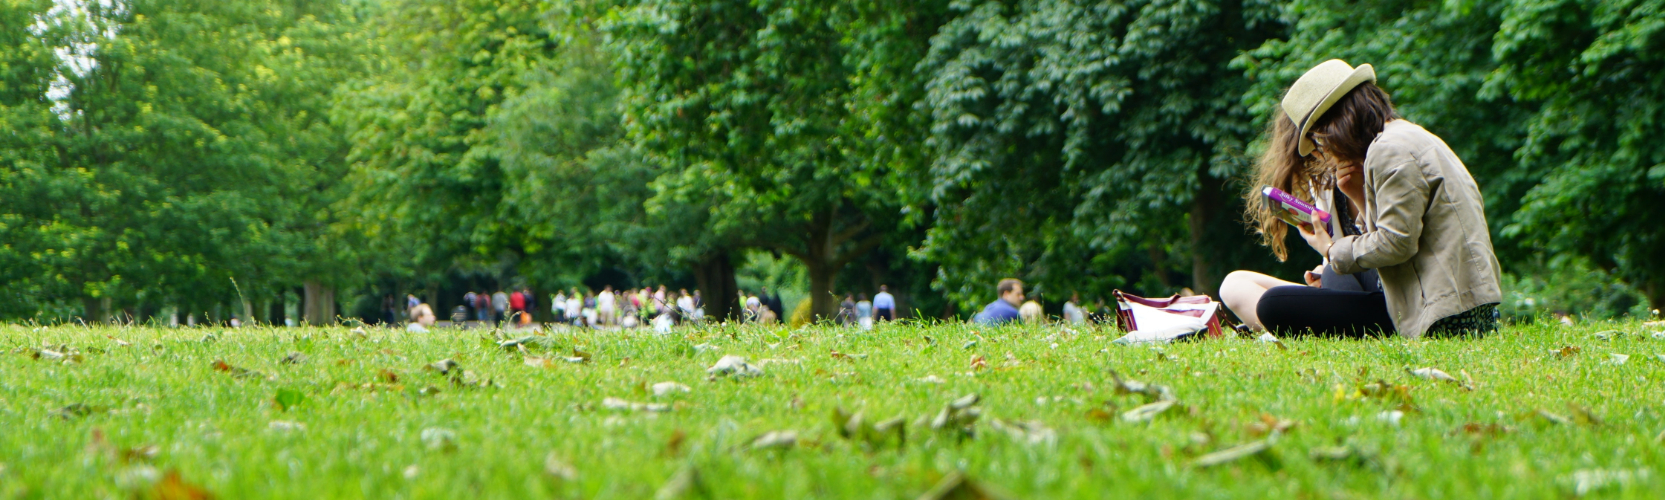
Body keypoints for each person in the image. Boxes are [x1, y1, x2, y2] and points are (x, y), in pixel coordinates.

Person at [1218, 60, 1501, 338]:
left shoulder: (1389, 150)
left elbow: (1396, 243)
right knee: (1331, 276)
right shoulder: (1400, 139)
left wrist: (1330, 250)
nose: (1321, 152)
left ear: (1338, 122)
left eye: (1318, 140)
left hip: (1445, 314)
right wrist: (1356, 194)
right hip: (1440, 302)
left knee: (1273, 304)